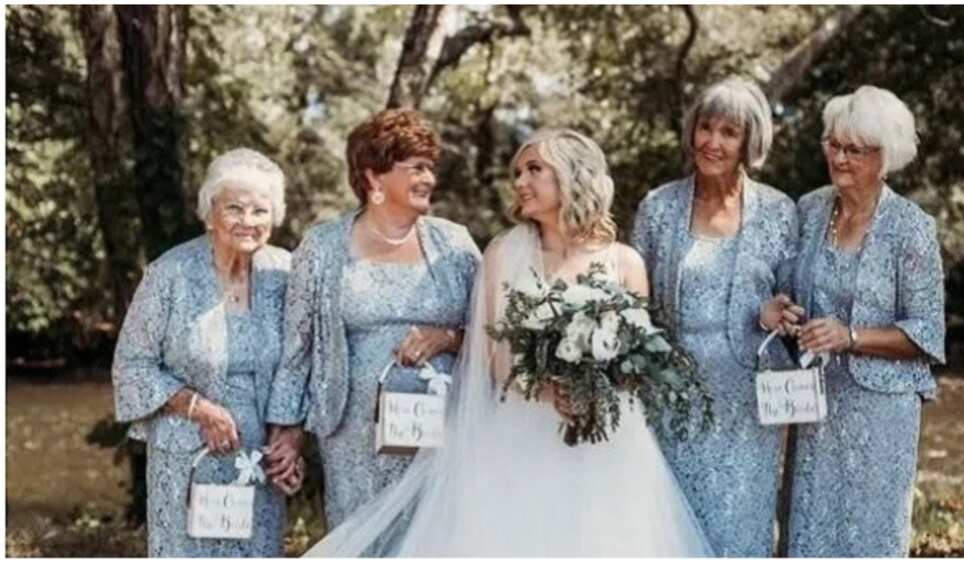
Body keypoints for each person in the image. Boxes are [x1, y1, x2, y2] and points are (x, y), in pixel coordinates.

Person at [304, 128, 713, 557]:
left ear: (573, 174)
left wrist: (595, 390)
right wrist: (549, 388)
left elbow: (640, 359)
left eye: (534, 169)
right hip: (521, 435)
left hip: (608, 443)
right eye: (517, 172)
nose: (520, 182)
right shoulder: (504, 253)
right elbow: (493, 356)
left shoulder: (624, 262)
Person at [263, 109, 481, 551]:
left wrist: (446, 338)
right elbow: (297, 349)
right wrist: (286, 432)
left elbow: (492, 331)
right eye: (416, 167)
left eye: (430, 167)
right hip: (353, 440)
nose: (429, 178)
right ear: (374, 176)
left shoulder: (454, 244)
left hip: (444, 429)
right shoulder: (322, 247)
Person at [762, 85, 945, 556]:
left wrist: (851, 336)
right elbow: (786, 287)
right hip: (815, 404)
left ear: (886, 156)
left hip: (881, 411)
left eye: (854, 150)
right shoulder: (808, 209)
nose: (839, 158)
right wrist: (783, 312)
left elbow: (927, 333)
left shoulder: (912, 228)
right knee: (807, 530)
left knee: (869, 536)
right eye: (833, 145)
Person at [631, 76, 798, 556]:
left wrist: (776, 312)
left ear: (750, 142)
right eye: (706, 127)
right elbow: (634, 302)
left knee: (740, 527)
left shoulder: (778, 211)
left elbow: (791, 298)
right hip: (671, 394)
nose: (713, 142)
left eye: (729, 132)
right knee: (669, 525)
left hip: (748, 400)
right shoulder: (659, 206)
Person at [110, 148, 291, 556]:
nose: (248, 221)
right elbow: (131, 366)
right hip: (186, 457)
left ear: (274, 217)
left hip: (256, 460)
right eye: (235, 208)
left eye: (260, 211)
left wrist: (290, 437)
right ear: (210, 213)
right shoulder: (169, 274)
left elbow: (301, 363)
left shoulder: (285, 273)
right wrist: (198, 408)